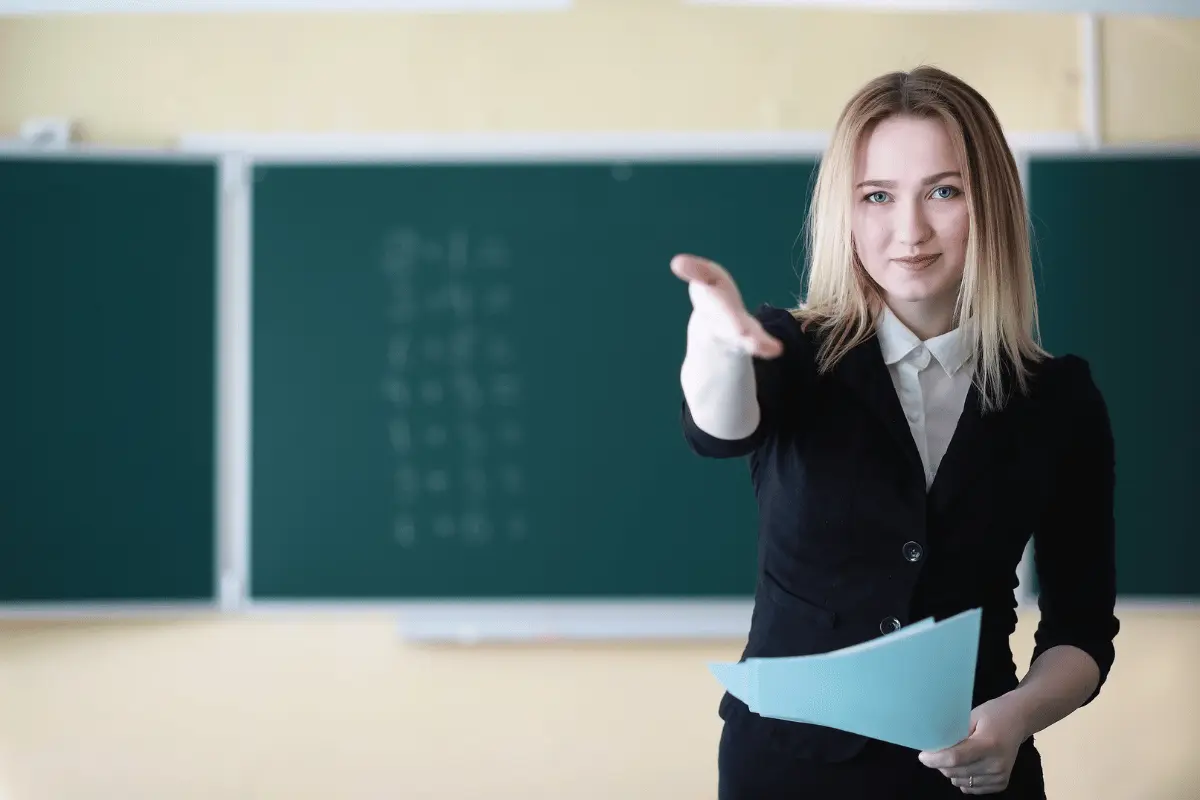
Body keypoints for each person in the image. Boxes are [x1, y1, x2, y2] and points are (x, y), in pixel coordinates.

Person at [673, 66, 1119, 799]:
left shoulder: (1058, 398)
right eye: (877, 197)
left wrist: (1014, 719)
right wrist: (715, 345)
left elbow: (1082, 631)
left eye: (943, 192)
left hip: (975, 771)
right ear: (844, 214)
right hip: (787, 774)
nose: (909, 231)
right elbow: (719, 428)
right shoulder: (789, 354)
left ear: (990, 207)